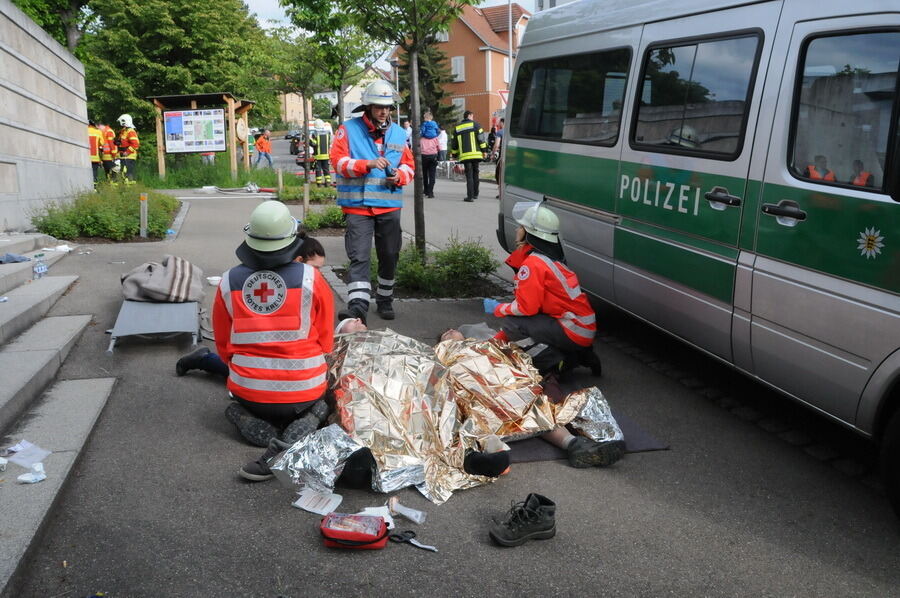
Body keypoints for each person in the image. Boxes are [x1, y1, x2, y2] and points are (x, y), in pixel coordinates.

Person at [211, 201, 335, 482]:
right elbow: (326, 340)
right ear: (292, 240)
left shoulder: (228, 281)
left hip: (249, 390)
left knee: (234, 406)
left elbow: (222, 344)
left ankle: (249, 421)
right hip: (304, 390)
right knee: (322, 404)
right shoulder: (311, 278)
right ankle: (304, 425)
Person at [176, 234, 327, 380]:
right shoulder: (276, 285)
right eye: (315, 268)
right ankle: (204, 359)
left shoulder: (299, 285)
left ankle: (206, 359)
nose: (317, 273)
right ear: (298, 259)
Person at [483, 202, 602, 378]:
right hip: (580, 326)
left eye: (521, 227)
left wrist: (498, 308)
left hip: (572, 328)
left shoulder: (533, 263)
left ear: (530, 233)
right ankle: (580, 353)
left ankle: (555, 362)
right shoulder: (547, 256)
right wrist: (492, 343)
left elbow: (526, 308)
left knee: (511, 322)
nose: (517, 230)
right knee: (520, 322)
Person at [331, 80, 414, 324]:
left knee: (390, 254)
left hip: (388, 205)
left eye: (387, 107)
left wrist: (400, 175)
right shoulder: (348, 129)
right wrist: (363, 165)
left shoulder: (399, 133)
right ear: (367, 106)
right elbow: (336, 161)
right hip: (357, 205)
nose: (384, 111)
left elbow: (409, 165)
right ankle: (357, 307)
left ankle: (385, 299)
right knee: (359, 256)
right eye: (378, 106)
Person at [450, 110, 487, 202]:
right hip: (476, 155)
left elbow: (454, 143)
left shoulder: (457, 128)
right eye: (472, 116)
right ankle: (475, 194)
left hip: (465, 156)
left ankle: (469, 197)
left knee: (469, 176)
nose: (473, 118)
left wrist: (454, 154)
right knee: (476, 173)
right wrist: (484, 151)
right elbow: (481, 140)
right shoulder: (476, 125)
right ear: (469, 115)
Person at [420, 113, 441, 198]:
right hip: (433, 156)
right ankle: (431, 192)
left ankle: (425, 191)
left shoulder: (422, 138)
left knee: (425, 174)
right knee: (432, 175)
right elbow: (438, 148)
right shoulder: (435, 137)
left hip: (424, 156)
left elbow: (418, 147)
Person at [116, 114, 139, 183]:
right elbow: (124, 143)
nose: (120, 124)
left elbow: (135, 144)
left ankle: (130, 188)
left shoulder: (130, 131)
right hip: (124, 156)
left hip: (129, 156)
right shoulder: (124, 131)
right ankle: (127, 188)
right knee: (124, 174)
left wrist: (127, 152)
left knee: (127, 174)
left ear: (124, 122)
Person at [309, 119, 332, 186]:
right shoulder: (328, 133)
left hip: (318, 156)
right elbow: (329, 142)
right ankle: (328, 182)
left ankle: (319, 183)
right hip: (326, 156)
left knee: (318, 170)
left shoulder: (315, 133)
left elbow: (314, 144)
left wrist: (309, 139)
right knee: (326, 169)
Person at [87, 119, 103, 183]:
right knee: (94, 172)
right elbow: (102, 143)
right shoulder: (98, 132)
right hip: (95, 157)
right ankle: (94, 187)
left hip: (85, 157)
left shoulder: (83, 130)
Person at [493, 118, 505, 197]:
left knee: (500, 173)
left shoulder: (500, 132)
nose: (498, 124)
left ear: (502, 123)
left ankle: (501, 193)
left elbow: (497, 145)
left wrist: (493, 153)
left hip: (502, 155)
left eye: (499, 123)